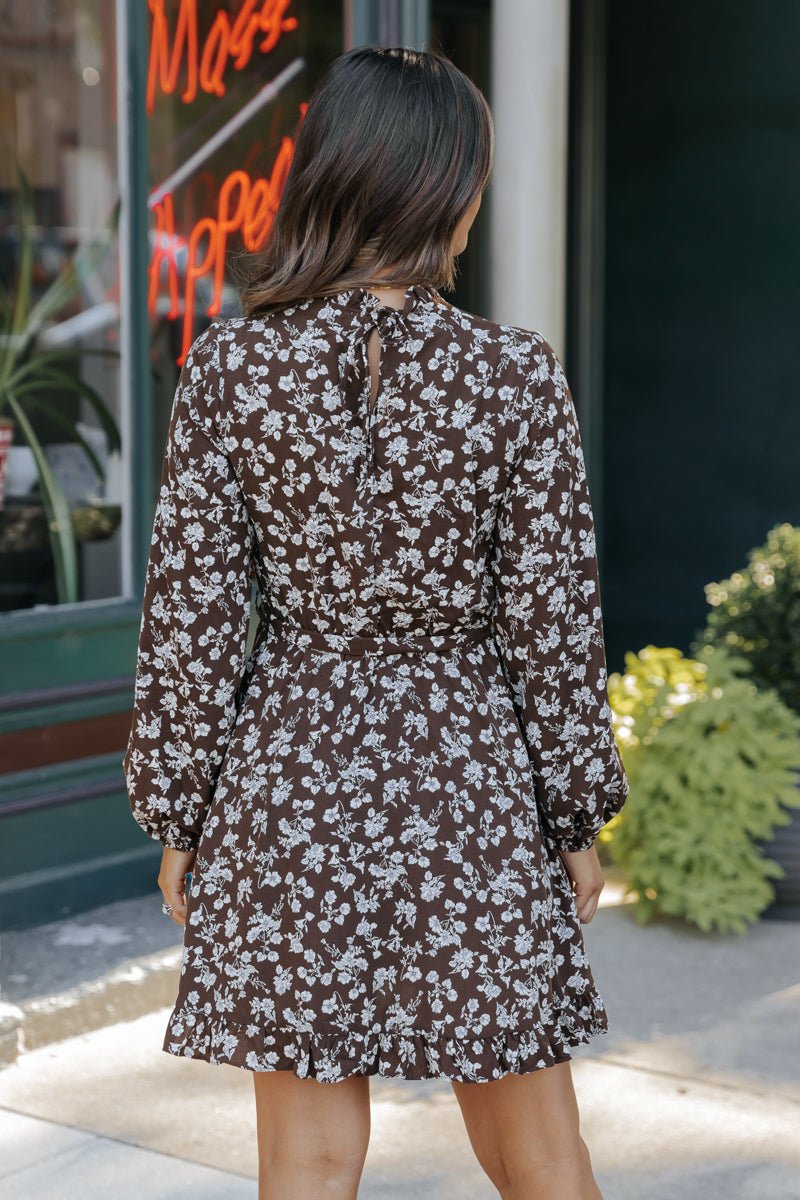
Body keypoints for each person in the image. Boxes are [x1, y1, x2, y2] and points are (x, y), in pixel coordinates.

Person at [123, 44, 629, 1200]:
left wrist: (179, 813)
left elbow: (192, 619)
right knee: (540, 1153)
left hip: (285, 777)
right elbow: (551, 627)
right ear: (442, 187)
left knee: (304, 1160)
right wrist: (573, 814)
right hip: (468, 781)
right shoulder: (514, 376)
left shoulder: (231, 369)